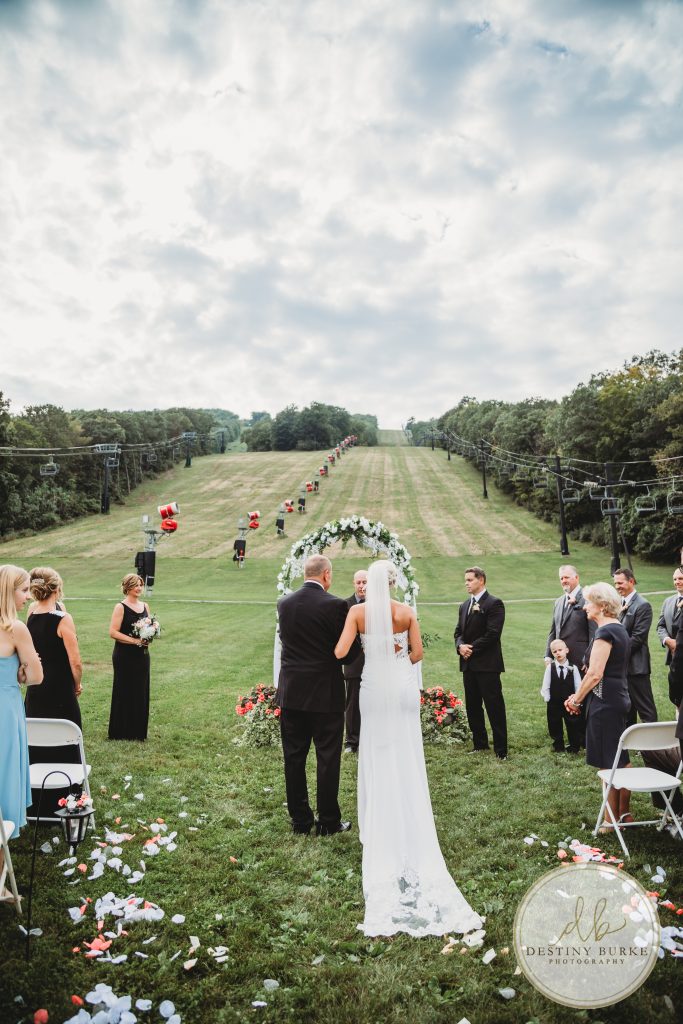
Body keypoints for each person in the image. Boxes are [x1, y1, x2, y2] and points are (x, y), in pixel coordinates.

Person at [335, 560, 483, 938]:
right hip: (401, 687)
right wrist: (396, 648)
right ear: (395, 583)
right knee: (405, 750)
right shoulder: (407, 612)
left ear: (372, 583)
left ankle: (377, 818)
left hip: (372, 687)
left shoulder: (356, 612)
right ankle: (407, 805)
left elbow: (340, 653)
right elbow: (417, 655)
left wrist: (372, 647)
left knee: (375, 750)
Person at [276, 555, 361, 835]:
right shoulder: (336, 605)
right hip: (325, 694)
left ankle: (300, 821)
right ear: (326, 574)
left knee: (294, 757)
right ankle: (328, 821)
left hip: (291, 693)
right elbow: (347, 652)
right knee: (327, 758)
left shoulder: (284, 603)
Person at [565, 582, 632, 830]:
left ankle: (610, 820)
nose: (584, 607)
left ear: (602, 606)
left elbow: (595, 674)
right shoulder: (619, 629)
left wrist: (575, 700)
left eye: (589, 602)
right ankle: (623, 814)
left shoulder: (606, 633)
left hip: (605, 702)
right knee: (619, 757)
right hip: (618, 697)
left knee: (609, 760)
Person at [0, 565, 43, 904]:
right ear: (8, 591)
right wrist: (24, 670)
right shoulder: (15, 628)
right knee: (3, 785)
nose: (28, 596)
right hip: (6, 711)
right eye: (24, 590)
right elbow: (38, 676)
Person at [454, 566, 508, 760]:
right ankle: (480, 743)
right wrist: (460, 646)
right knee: (473, 706)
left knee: (494, 705)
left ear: (481, 580)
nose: (466, 583)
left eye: (470, 580)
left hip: (487, 664)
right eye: (465, 580)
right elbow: (458, 632)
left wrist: (471, 648)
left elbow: (493, 634)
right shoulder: (464, 605)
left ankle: (501, 749)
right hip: (468, 665)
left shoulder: (494, 604)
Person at [108, 574, 152, 741]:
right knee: (124, 690)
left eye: (141, 585)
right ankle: (120, 731)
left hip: (142, 655)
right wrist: (134, 641)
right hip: (124, 656)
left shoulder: (145, 605)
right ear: (127, 587)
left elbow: (148, 627)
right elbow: (113, 632)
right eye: (135, 585)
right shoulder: (120, 607)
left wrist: (150, 636)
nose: (139, 588)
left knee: (140, 691)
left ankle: (138, 731)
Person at [613, 568, 657, 724]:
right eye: (615, 583)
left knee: (646, 710)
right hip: (622, 669)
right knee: (626, 709)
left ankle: (652, 748)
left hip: (637, 668)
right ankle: (631, 744)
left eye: (620, 582)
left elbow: (637, 638)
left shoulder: (643, 605)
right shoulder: (618, 603)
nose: (617, 586)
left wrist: (614, 653)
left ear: (631, 581)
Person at [540, 639, 582, 753]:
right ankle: (558, 745)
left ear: (566, 650)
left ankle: (574, 746)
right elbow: (546, 684)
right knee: (554, 724)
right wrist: (547, 697)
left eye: (560, 650)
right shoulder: (550, 668)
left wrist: (576, 699)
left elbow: (578, 685)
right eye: (554, 651)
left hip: (569, 703)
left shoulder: (573, 668)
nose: (558, 653)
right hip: (554, 702)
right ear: (552, 654)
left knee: (573, 724)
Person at [343, 569, 367, 754]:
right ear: (354, 584)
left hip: (375, 662)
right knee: (352, 702)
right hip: (353, 663)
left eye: (364, 582)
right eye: (358, 582)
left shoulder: (378, 606)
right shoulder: (345, 605)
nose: (361, 586)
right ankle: (352, 741)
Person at [656, 567, 683, 705]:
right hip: (673, 658)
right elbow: (660, 626)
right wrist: (667, 640)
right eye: (675, 579)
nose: (677, 582)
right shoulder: (668, 601)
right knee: (676, 693)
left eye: (680, 578)